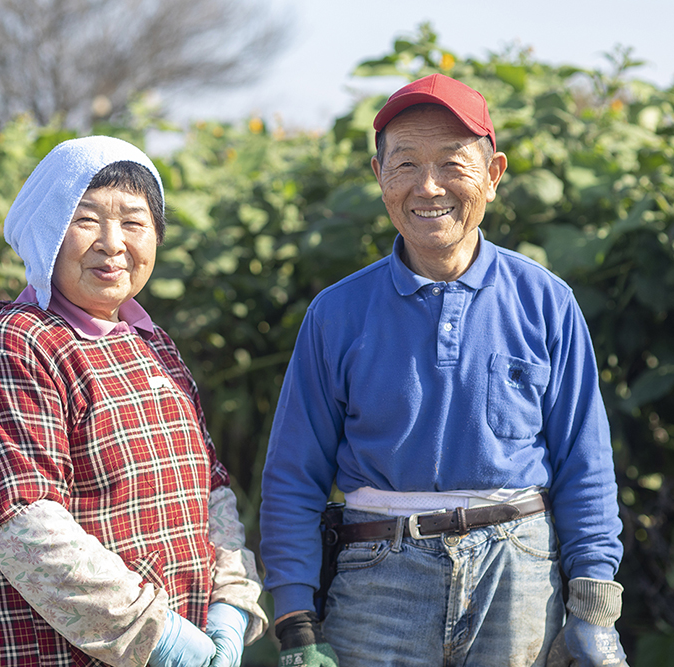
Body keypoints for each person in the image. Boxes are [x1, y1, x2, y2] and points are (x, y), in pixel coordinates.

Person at [260, 73, 627, 667]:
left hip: (519, 580)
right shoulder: (336, 313)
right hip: (376, 583)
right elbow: (293, 476)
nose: (428, 187)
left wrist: (592, 602)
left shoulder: (545, 301)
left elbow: (586, 463)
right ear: (379, 176)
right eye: (405, 164)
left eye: (453, 164)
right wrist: (296, 617)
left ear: (493, 174)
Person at [0, 136, 267, 667]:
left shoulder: (152, 346)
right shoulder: (15, 347)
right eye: (86, 220)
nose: (113, 243)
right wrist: (163, 642)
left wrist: (230, 601)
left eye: (134, 222)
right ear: (47, 231)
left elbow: (210, 486)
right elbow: (26, 528)